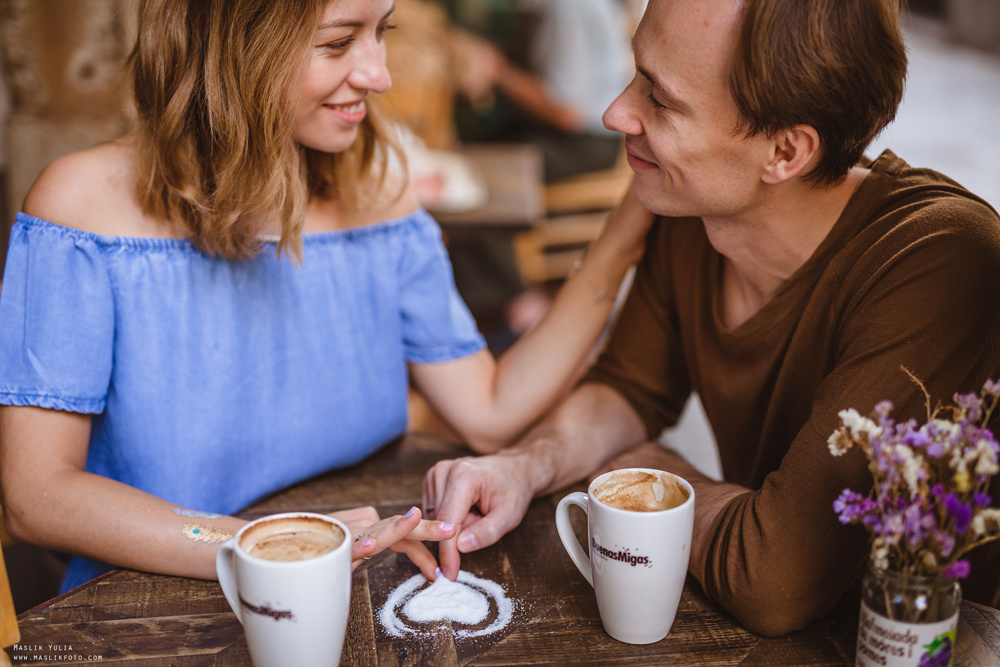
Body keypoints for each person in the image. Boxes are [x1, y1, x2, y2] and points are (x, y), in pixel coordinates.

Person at [0, 0, 651, 593]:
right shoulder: (82, 211)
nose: (379, 75)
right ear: (235, 45)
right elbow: (38, 496)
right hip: (147, 612)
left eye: (382, 32)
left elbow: (489, 408)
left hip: (350, 589)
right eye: (339, 42)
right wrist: (272, 545)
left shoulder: (378, 193)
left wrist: (624, 233)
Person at [422, 0, 1000, 637]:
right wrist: (524, 466)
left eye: (661, 99)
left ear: (785, 151)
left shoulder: (939, 258)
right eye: (636, 73)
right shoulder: (697, 205)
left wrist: (643, 472)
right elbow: (629, 390)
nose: (616, 113)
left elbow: (772, 576)